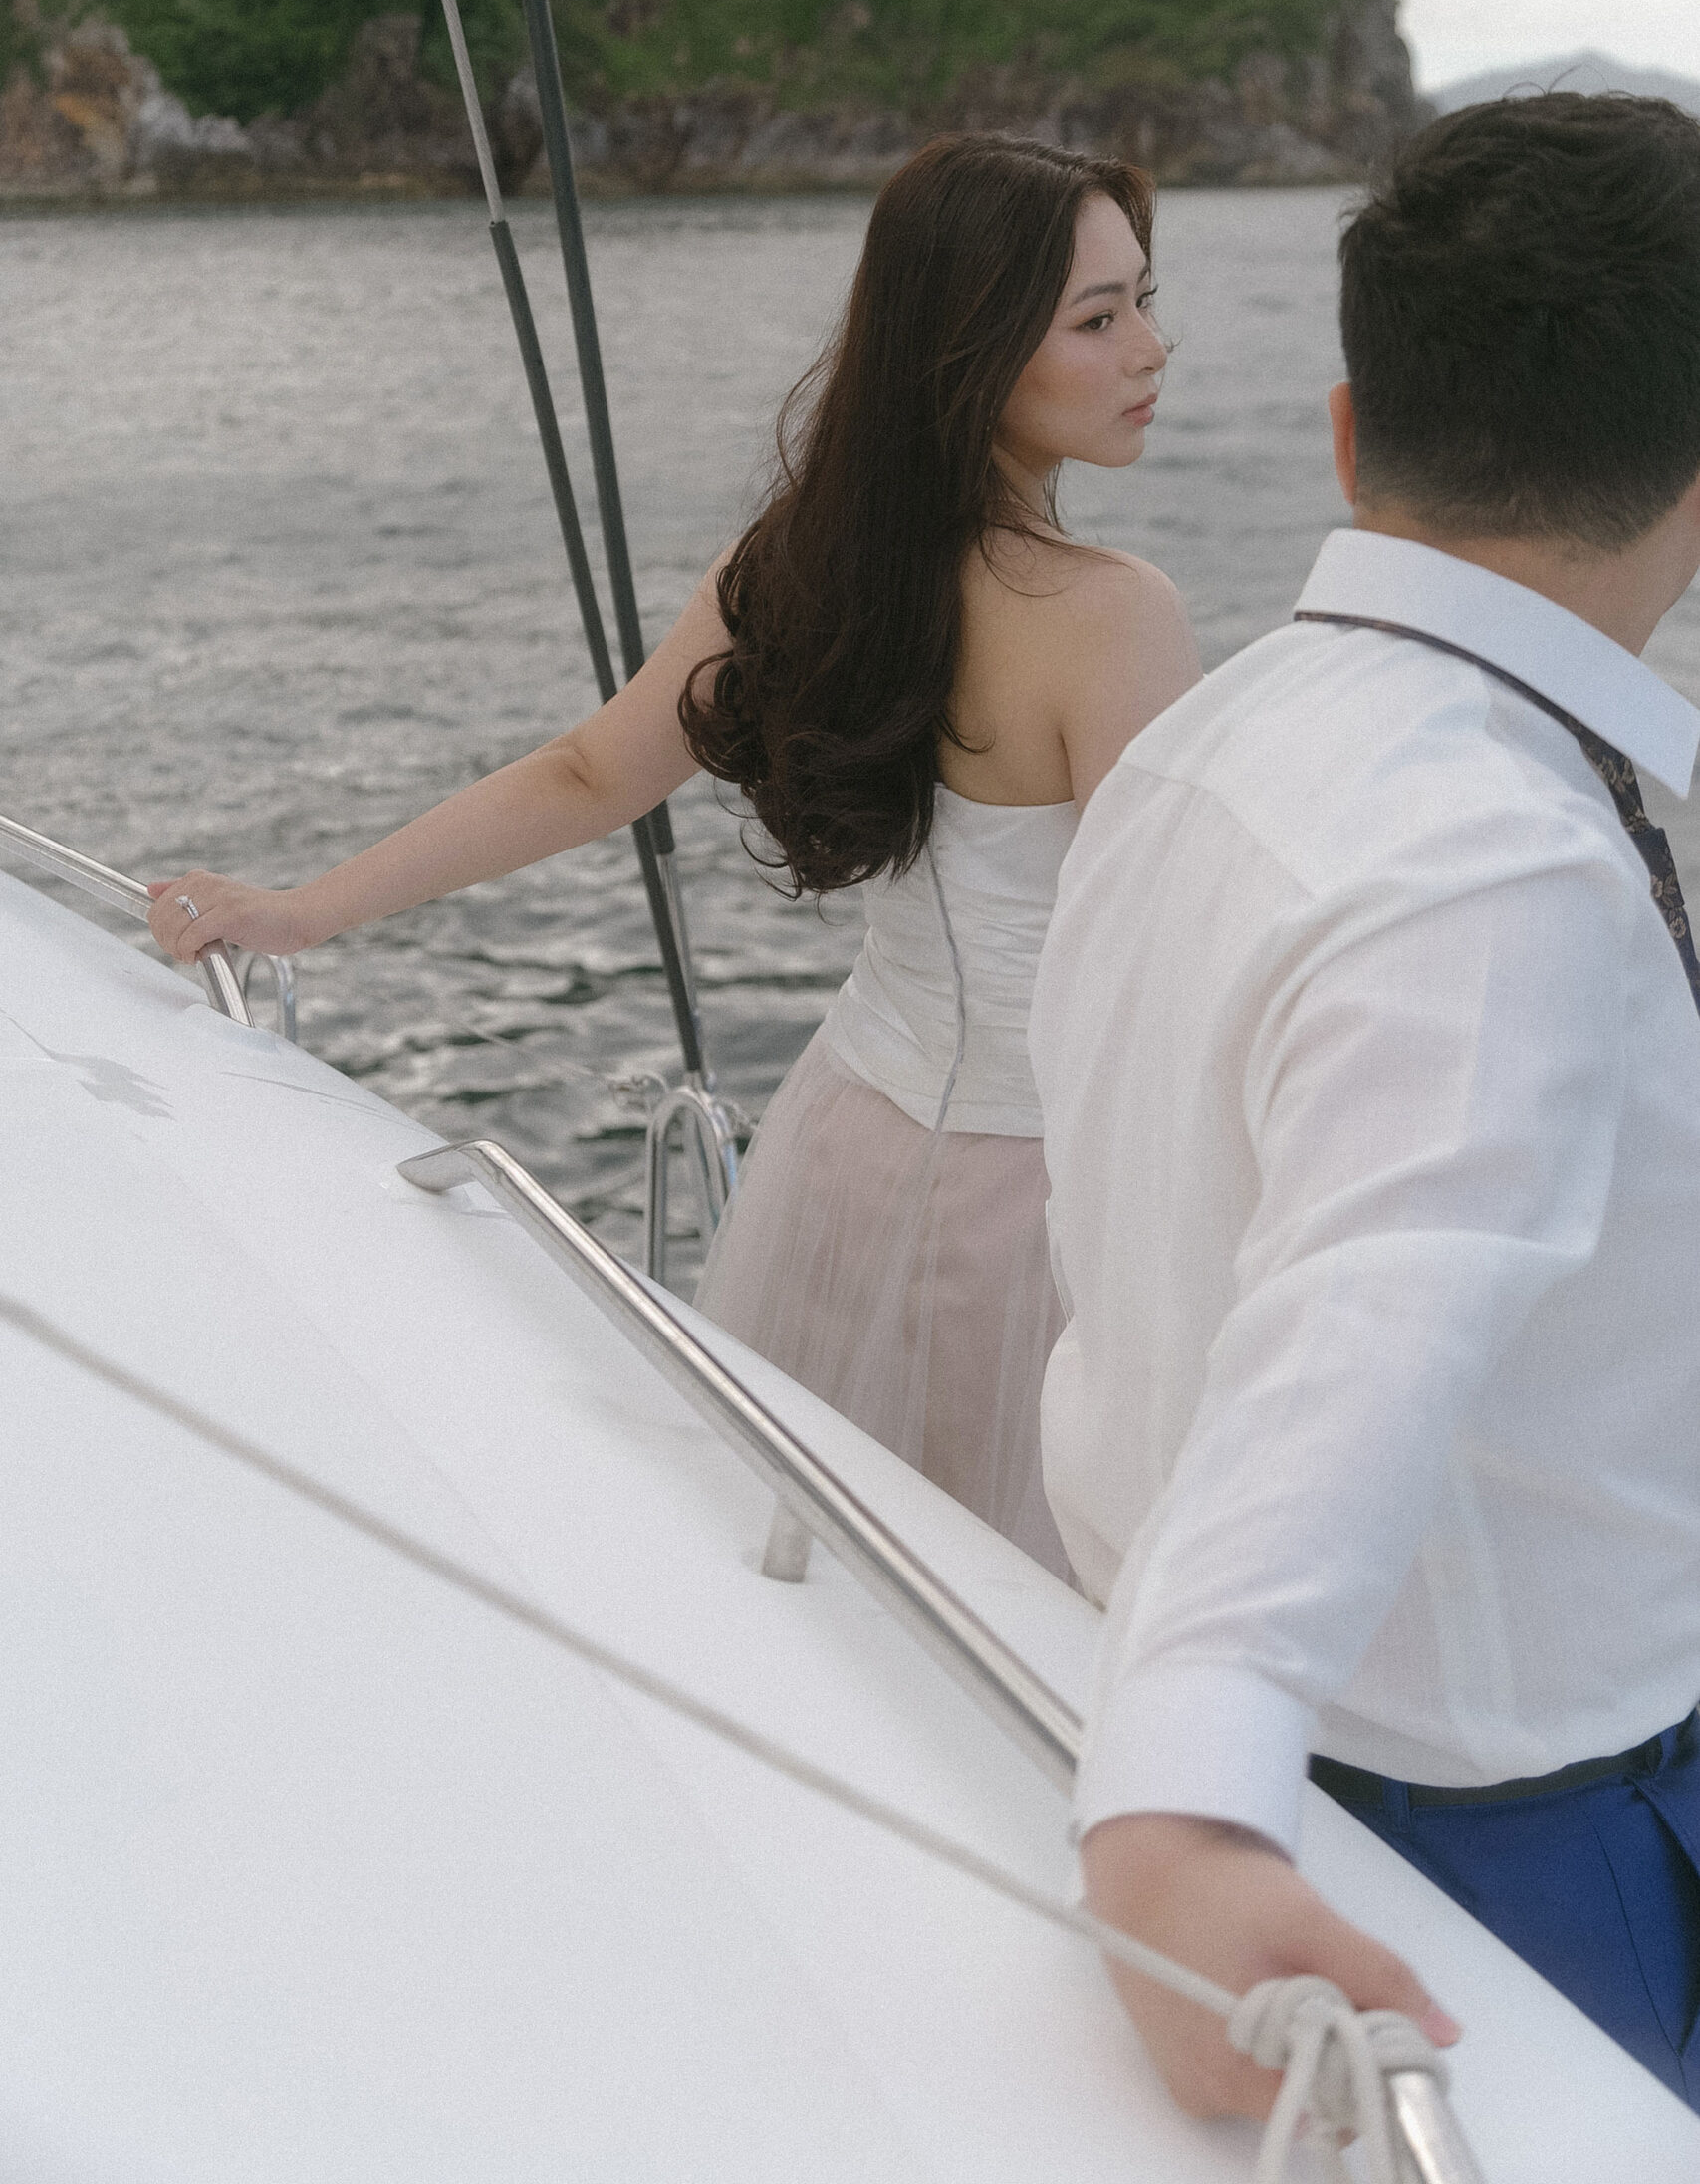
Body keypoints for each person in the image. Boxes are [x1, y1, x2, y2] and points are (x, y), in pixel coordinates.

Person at [147, 132, 1199, 1576]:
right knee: (1028, 1618)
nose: (1151, 349)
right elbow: (1177, 971)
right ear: (971, 348)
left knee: (810, 1580)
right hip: (1039, 1214)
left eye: (1145, 301)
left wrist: (304, 910)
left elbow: (591, 773)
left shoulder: (805, 561)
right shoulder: (1115, 614)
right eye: (1098, 317)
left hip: (843, 1156)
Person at [1031, 90, 1700, 2111]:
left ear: (1347, 431)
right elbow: (1361, 1323)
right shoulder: (1495, 861)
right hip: (1523, 1833)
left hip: (1300, 1718)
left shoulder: (1211, 738)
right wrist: (1178, 1809)